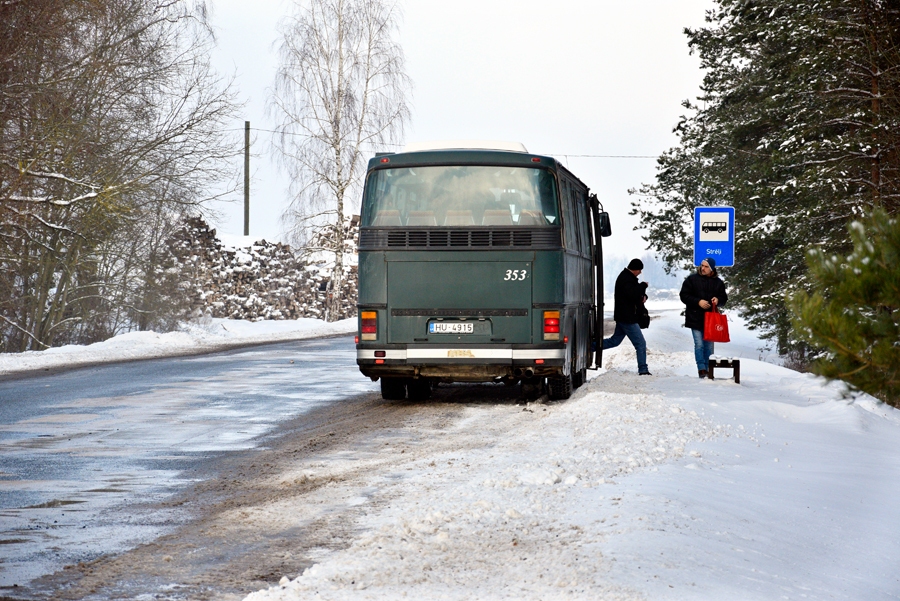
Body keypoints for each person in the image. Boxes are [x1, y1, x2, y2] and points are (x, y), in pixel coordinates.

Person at [680, 257, 728, 379]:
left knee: (709, 346)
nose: (703, 268)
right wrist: (698, 301)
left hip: (710, 319)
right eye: (702, 265)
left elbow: (724, 298)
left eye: (706, 266)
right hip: (694, 316)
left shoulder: (718, 282)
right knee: (699, 344)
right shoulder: (692, 279)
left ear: (712, 268)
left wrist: (718, 300)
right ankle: (701, 369)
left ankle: (708, 369)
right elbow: (684, 295)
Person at [602, 258, 651, 375]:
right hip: (628, 318)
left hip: (624, 317)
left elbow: (634, 294)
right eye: (640, 270)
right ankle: (643, 369)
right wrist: (643, 285)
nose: (640, 272)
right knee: (640, 343)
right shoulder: (625, 279)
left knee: (614, 341)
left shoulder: (627, 278)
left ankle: (591, 346)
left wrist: (644, 296)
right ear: (635, 269)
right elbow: (632, 294)